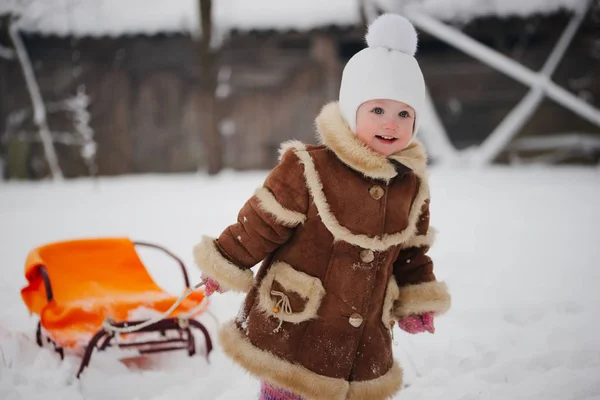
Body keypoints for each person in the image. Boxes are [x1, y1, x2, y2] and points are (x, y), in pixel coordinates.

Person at [193, 13, 451, 400]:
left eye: (404, 114)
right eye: (377, 110)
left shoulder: (411, 186)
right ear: (352, 111)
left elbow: (410, 253)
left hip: (362, 337)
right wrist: (228, 261)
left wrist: (415, 301)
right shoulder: (310, 166)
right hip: (295, 324)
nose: (391, 124)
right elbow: (262, 223)